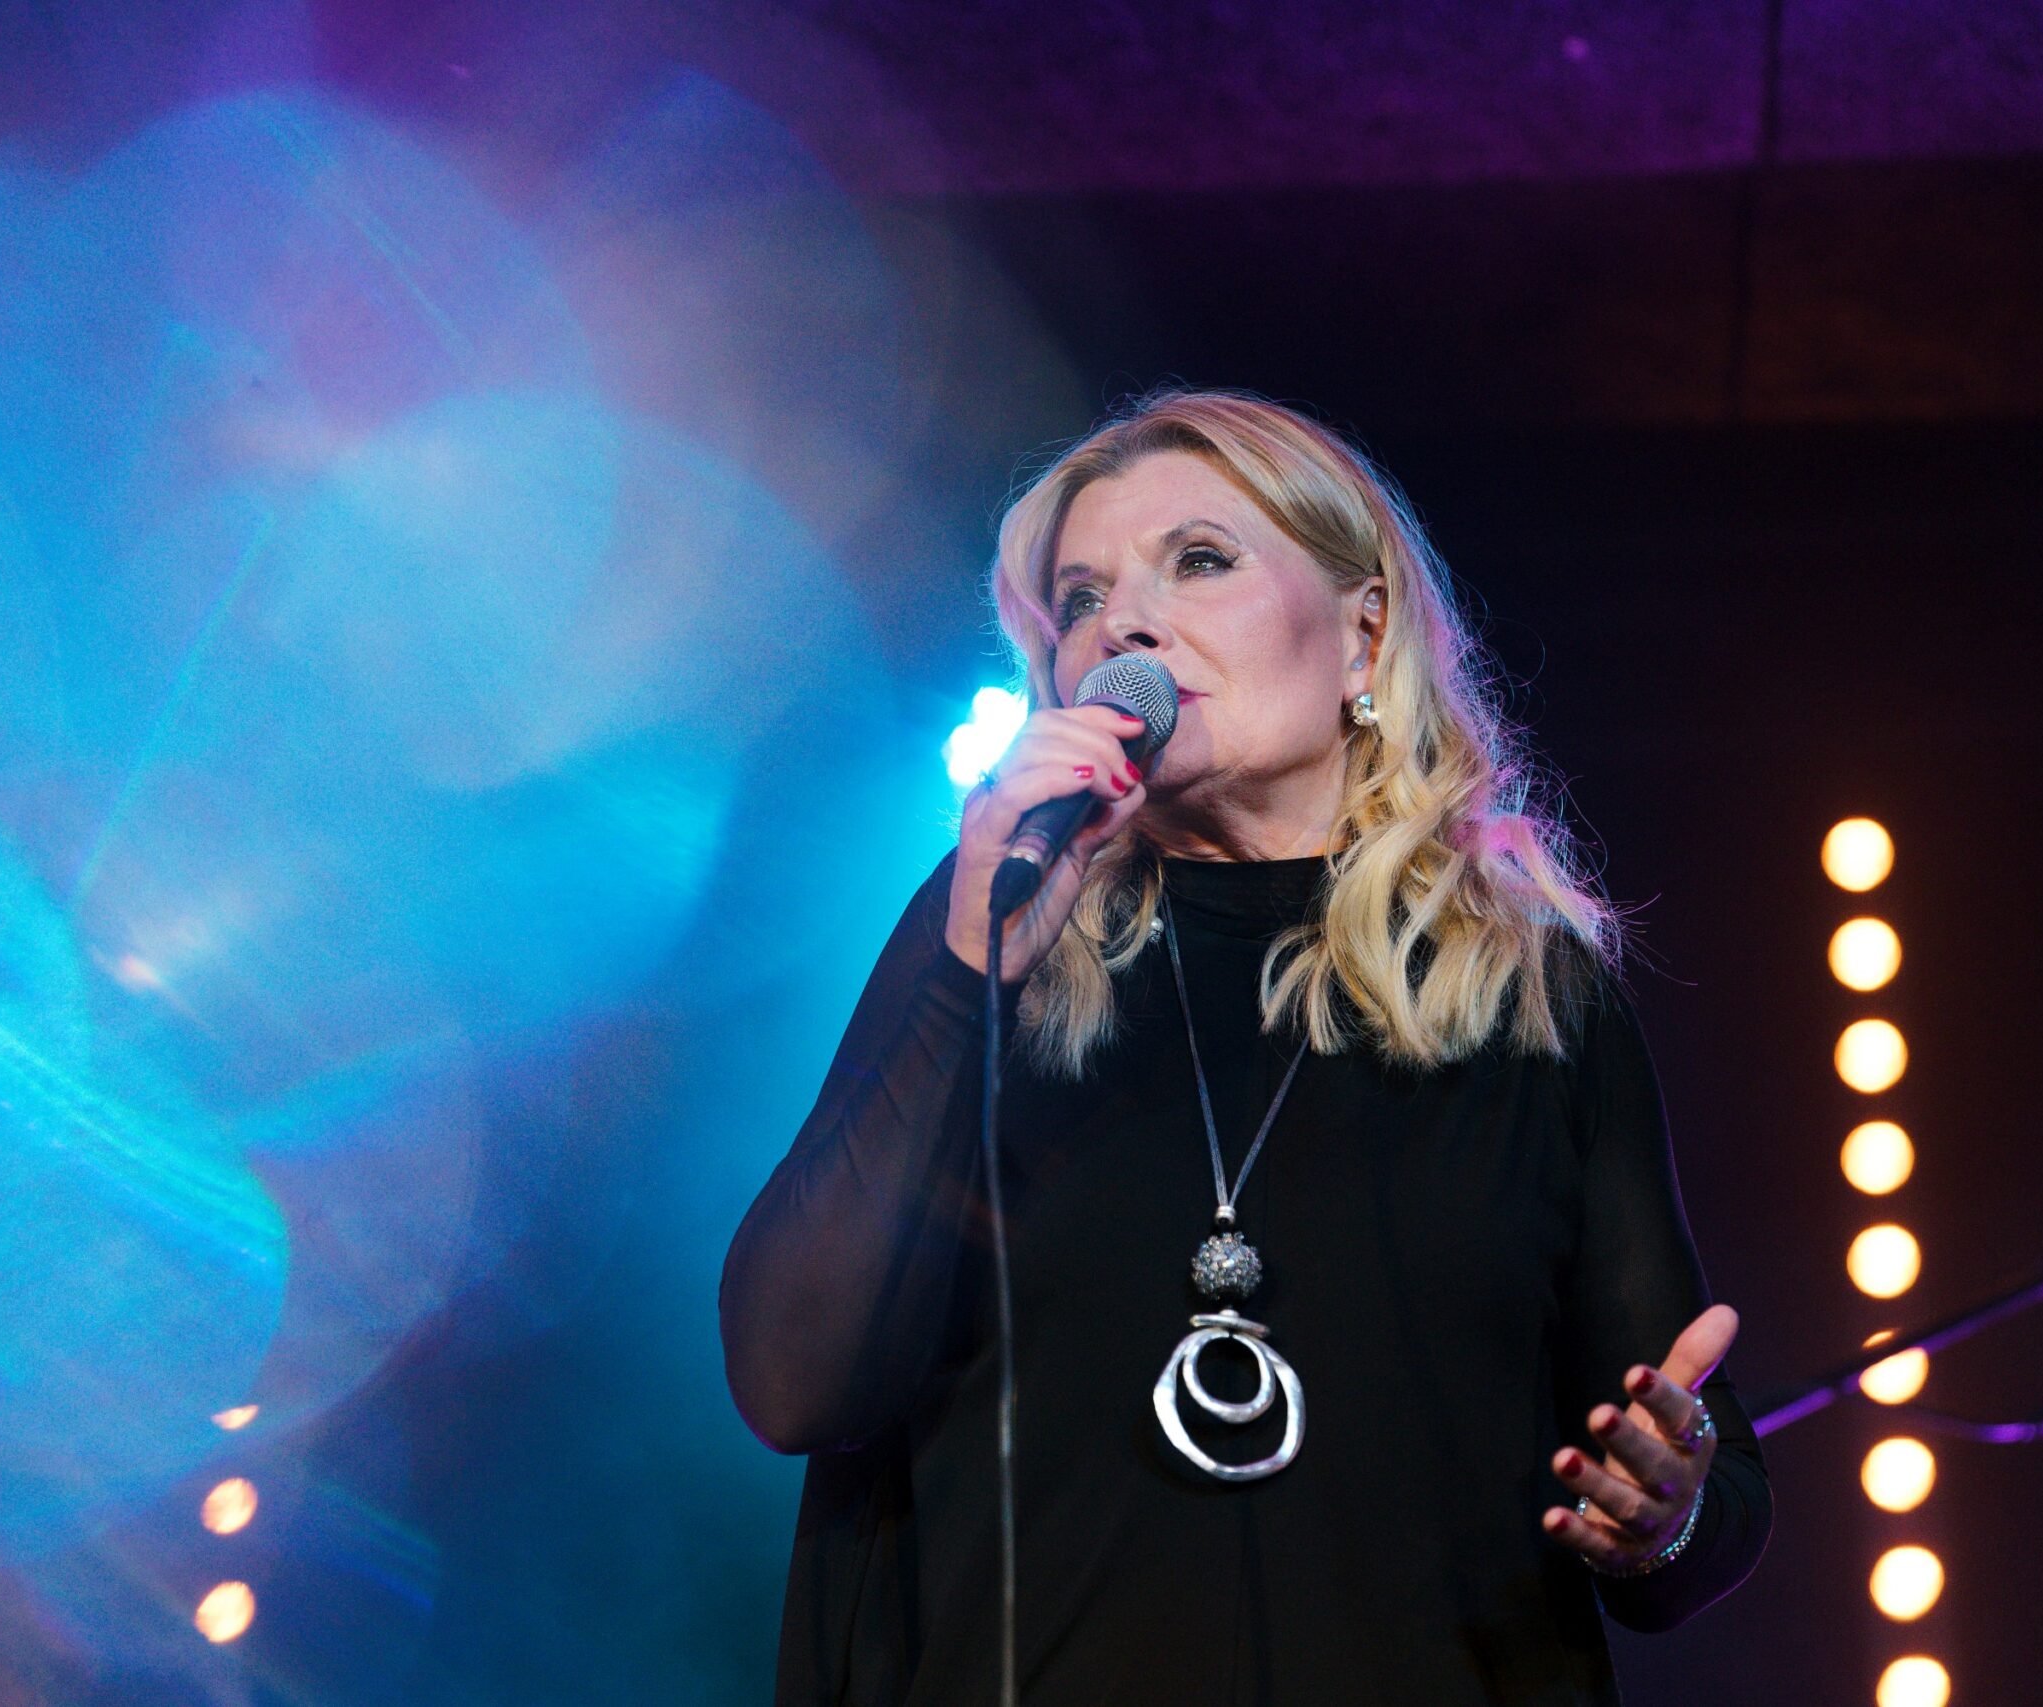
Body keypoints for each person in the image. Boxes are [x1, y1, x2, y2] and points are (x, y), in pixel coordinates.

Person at [719, 389, 1771, 1705]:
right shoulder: (994, 935)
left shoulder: (1524, 993)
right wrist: (972, 978)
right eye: (1082, 599)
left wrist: (1663, 1509)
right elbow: (792, 1383)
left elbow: (1699, 1489)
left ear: (1362, 635)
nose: (1123, 625)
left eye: (1200, 561)